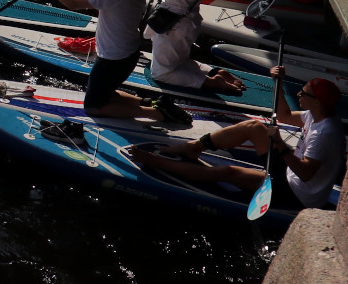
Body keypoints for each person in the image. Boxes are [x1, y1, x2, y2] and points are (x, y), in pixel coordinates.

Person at [124, 66, 344, 210]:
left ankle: (157, 161)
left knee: (227, 173)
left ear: (317, 102)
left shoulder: (325, 134)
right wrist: (278, 83)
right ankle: (193, 147)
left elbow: (305, 173)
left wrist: (279, 143)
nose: (299, 95)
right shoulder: (315, 114)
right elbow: (284, 115)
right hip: (290, 172)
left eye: (303, 94)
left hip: (297, 194)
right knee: (254, 127)